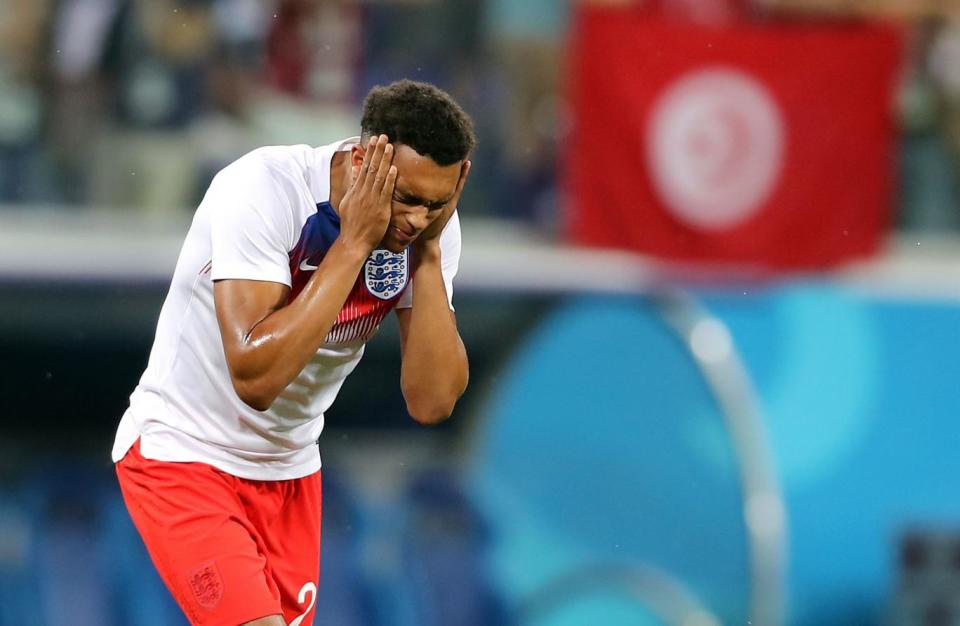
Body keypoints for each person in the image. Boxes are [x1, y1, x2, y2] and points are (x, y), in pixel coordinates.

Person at [112, 79, 475, 626]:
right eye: (406, 199)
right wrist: (353, 244)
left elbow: (432, 401)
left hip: (290, 472)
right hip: (185, 454)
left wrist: (425, 258)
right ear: (362, 159)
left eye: (437, 203)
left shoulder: (426, 234)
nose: (418, 219)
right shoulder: (262, 190)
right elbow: (255, 380)